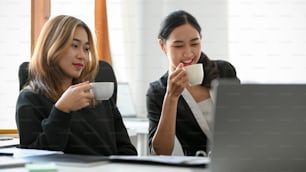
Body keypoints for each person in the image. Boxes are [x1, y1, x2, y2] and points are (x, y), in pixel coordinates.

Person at [15, 15, 137, 156]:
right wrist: (61, 110)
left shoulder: (97, 94)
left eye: (86, 49)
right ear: (52, 46)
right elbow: (35, 157)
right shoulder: (30, 99)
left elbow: (126, 149)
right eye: (74, 46)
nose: (82, 56)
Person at [146, 10, 239, 156]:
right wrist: (171, 96)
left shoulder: (224, 71)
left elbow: (243, 121)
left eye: (194, 43)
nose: (188, 53)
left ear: (201, 38)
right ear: (162, 46)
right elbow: (161, 151)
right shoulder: (158, 91)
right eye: (178, 46)